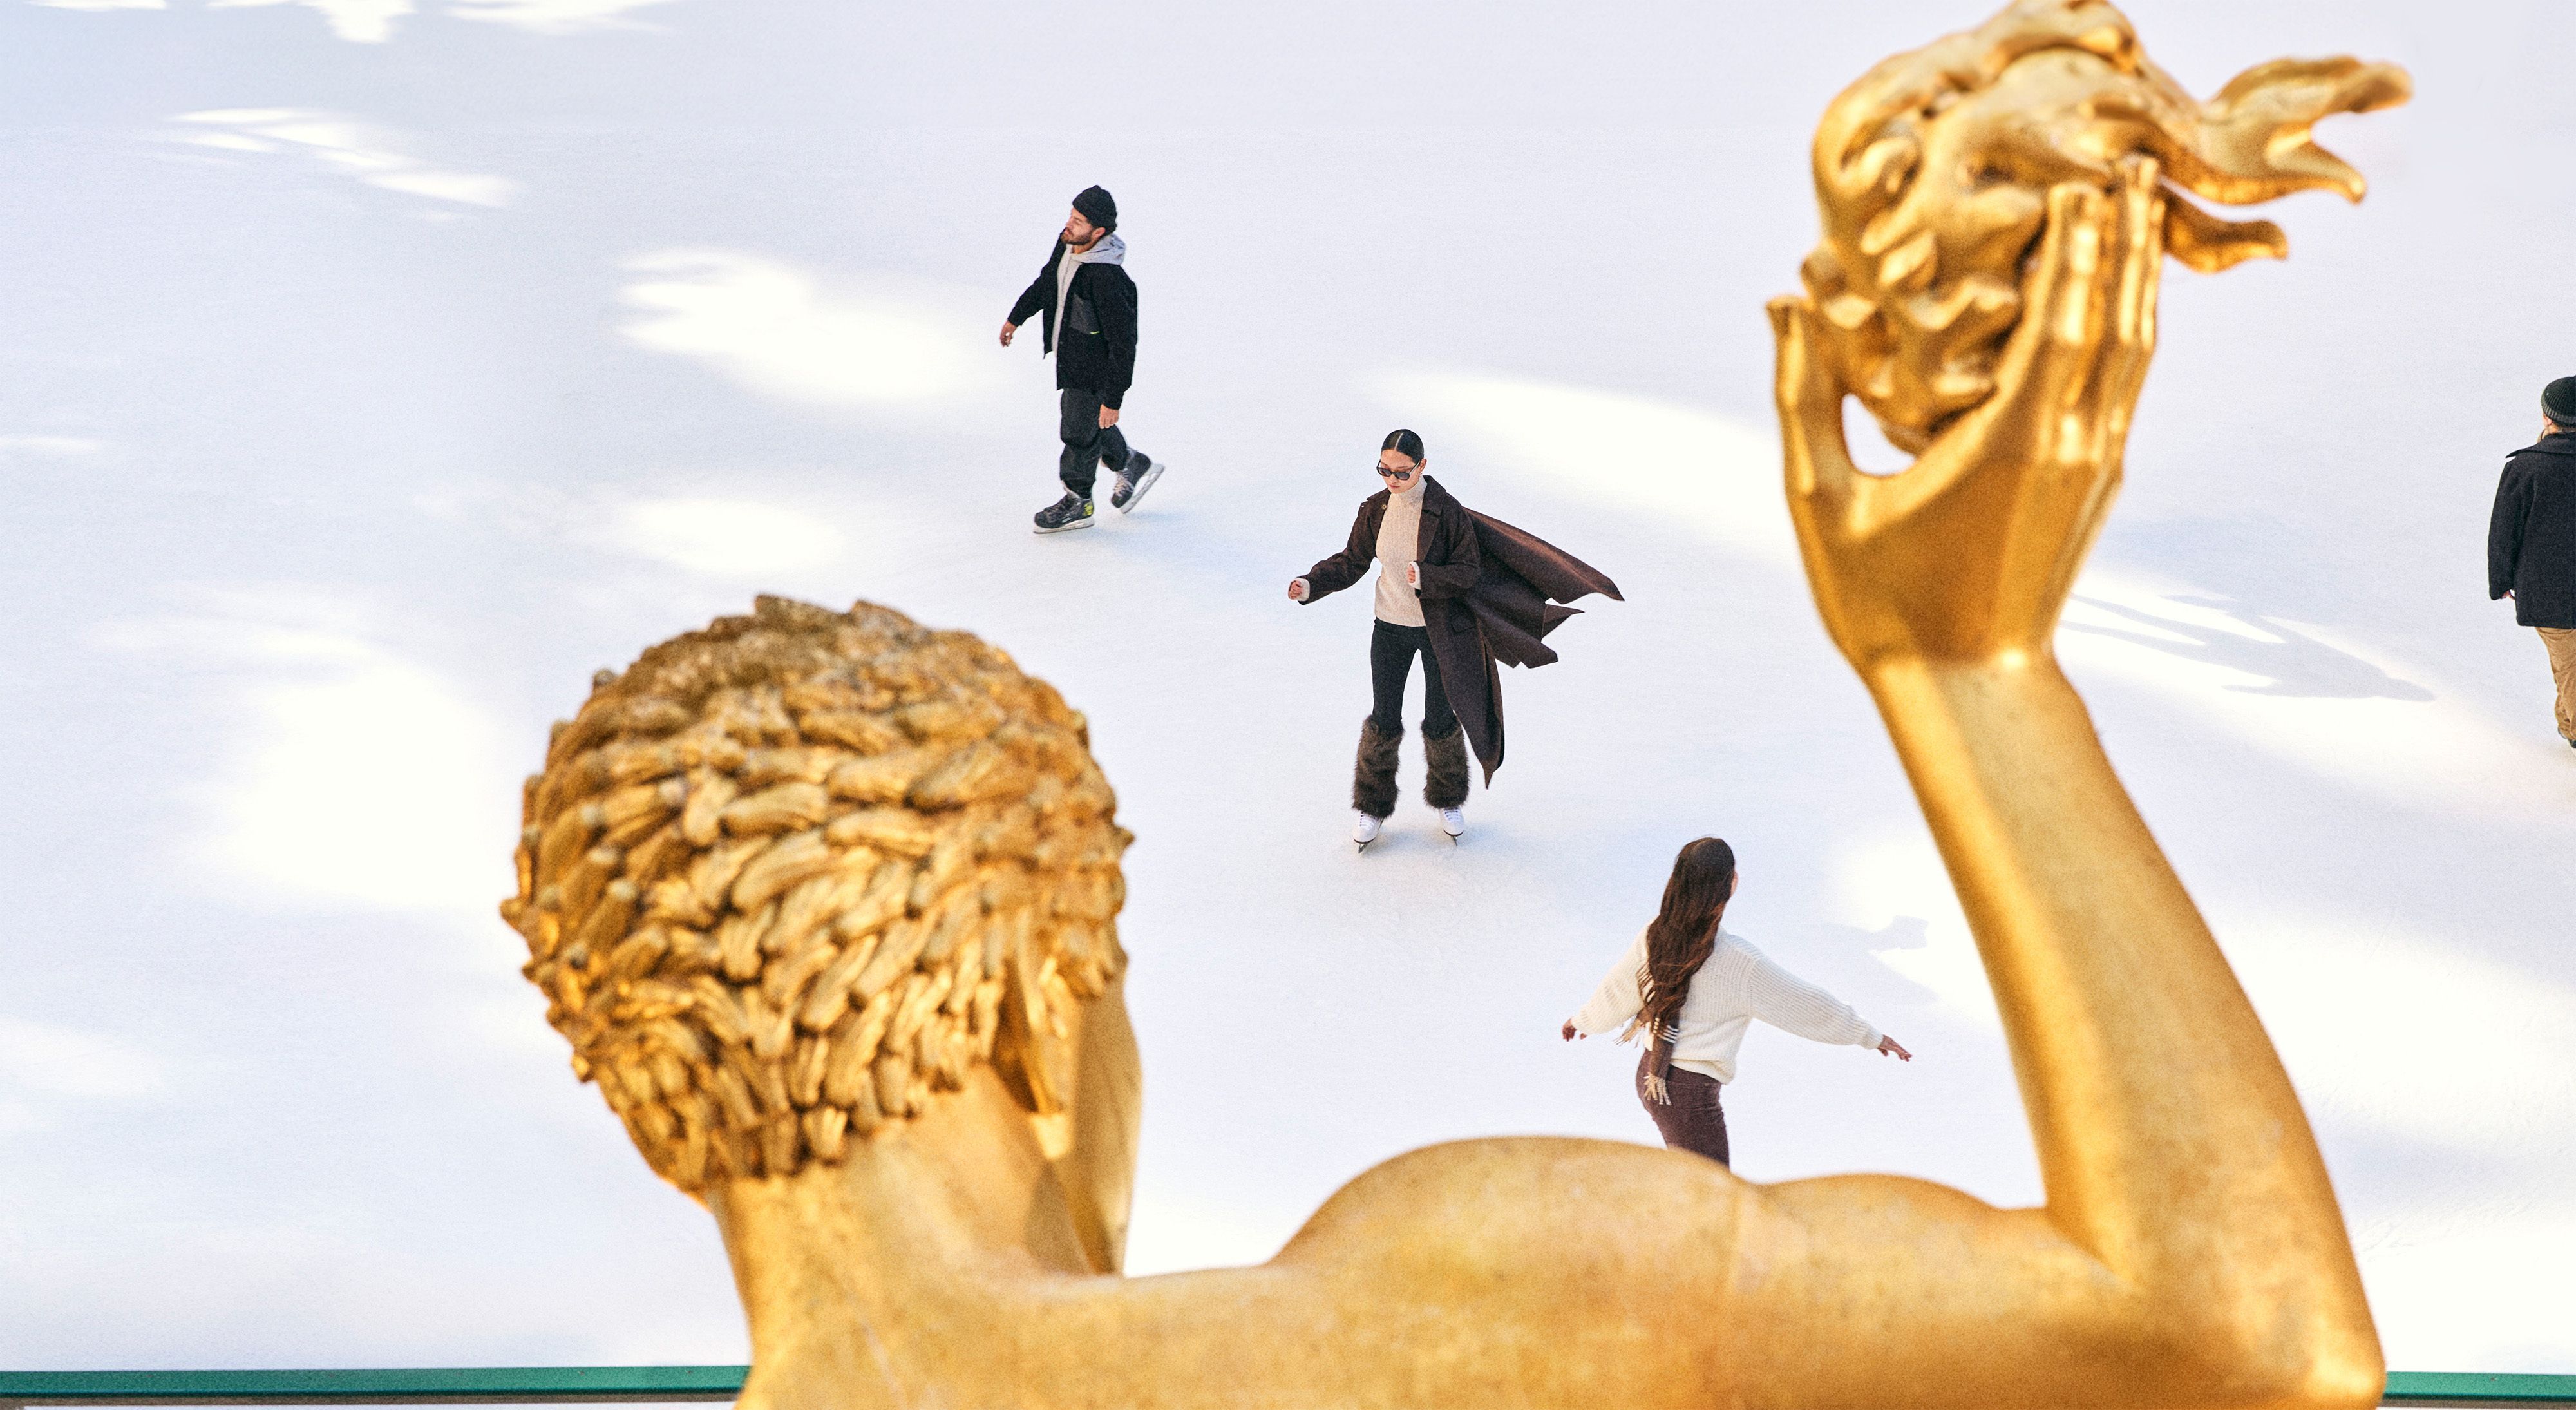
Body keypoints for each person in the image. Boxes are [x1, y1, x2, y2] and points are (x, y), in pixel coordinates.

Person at [1287, 430, 1620, 848]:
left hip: (1440, 632)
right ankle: (1372, 804)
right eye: (1384, 470)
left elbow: (1467, 571)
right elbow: (1353, 560)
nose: (1392, 479)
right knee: (1383, 717)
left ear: (1422, 466)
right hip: (1389, 628)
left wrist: (1428, 577)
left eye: (1402, 472)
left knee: (1441, 717)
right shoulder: (1375, 509)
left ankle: (1448, 799)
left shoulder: (1446, 512)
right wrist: (1311, 584)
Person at [1560, 837, 1909, 1165]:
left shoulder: (1657, 932)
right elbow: (1805, 1005)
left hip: (1652, 1074)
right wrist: (1869, 1036)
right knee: (1711, 1193)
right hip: (1686, 1094)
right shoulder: (1739, 963)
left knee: (1695, 1184)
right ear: (1731, 884)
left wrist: (1586, 1021)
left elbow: (1619, 988)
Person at [1001, 186, 1163, 534]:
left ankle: (1079, 502)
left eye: (1078, 221)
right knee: (1089, 424)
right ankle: (1131, 463)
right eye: (1071, 216)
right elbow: (1047, 283)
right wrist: (1017, 317)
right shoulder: (1068, 244)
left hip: (1095, 370)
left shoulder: (1109, 280)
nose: (1069, 224)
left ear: (1099, 231)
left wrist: (1113, 399)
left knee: (1077, 432)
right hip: (1071, 358)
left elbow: (1124, 344)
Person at [2487, 375, 2576, 751]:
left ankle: (2572, 729)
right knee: (2570, 666)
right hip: (2552, 593)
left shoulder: (2526, 468)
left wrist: (2501, 579)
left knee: (2568, 663)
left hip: (2548, 592)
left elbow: (2504, 530)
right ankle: (2570, 728)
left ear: (2546, 417)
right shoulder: (2527, 466)